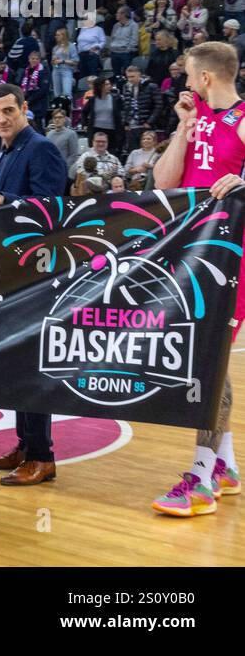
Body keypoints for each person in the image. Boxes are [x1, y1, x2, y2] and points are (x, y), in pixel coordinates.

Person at [150, 41, 245, 516]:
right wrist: (184, 130)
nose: (185, 84)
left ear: (206, 77)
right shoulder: (196, 118)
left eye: (189, 76)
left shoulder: (242, 118)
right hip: (191, 252)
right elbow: (163, 185)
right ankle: (225, 467)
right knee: (207, 361)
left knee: (208, 361)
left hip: (231, 258)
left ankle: (202, 478)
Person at [0, 83, 67, 486]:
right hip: (11, 272)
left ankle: (42, 455)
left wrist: (0, 200)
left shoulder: (40, 147)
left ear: (25, 108)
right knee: (15, 361)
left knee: (31, 362)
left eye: (8, 111)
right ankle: (25, 444)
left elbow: (52, 207)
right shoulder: (7, 151)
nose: (2, 119)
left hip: (38, 274)